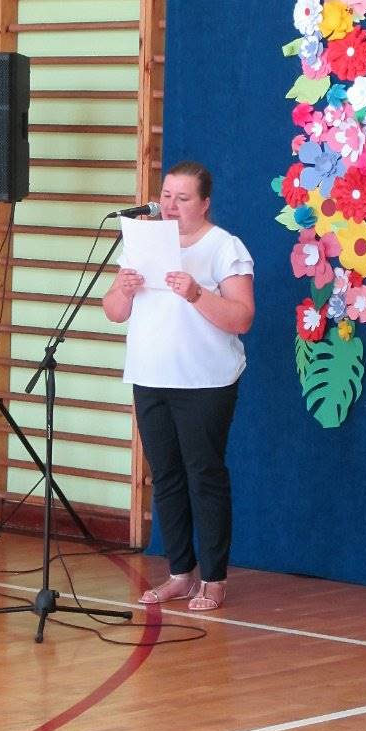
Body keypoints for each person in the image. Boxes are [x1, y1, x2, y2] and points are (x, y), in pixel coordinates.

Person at [102, 161, 254, 610]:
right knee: (166, 476)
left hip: (205, 380)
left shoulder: (223, 246)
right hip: (151, 376)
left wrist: (196, 293)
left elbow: (242, 317)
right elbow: (114, 312)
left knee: (204, 474)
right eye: (166, 196)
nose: (170, 205)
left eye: (182, 198)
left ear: (204, 203)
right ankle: (179, 574)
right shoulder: (142, 242)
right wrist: (124, 289)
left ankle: (214, 578)